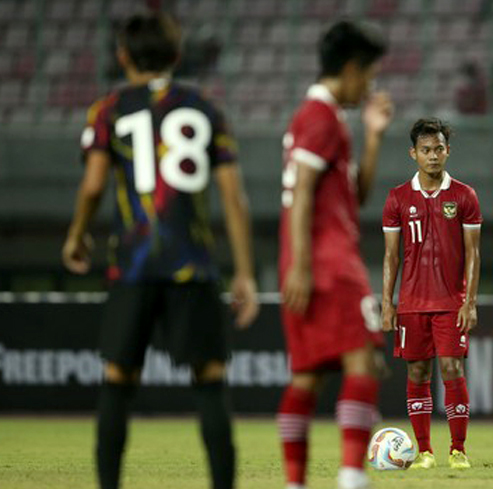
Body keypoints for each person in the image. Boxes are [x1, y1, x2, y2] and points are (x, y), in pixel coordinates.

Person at [61, 13, 259, 489]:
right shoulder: (206, 108)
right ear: (176, 56)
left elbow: (92, 187)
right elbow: (234, 197)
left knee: (117, 378)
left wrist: (76, 235)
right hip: (192, 265)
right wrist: (245, 273)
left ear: (122, 56)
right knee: (210, 378)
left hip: (132, 265)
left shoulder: (108, 109)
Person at [276, 21, 394, 489]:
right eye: (368, 76)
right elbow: (302, 192)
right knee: (362, 360)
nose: (369, 87)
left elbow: (353, 195)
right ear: (349, 69)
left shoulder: (322, 119)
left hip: (312, 259)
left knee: (307, 376)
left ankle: (296, 481)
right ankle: (351, 476)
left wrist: (374, 136)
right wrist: (303, 266)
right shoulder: (320, 117)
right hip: (328, 262)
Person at [381, 118, 483, 470]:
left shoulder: (464, 196)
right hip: (411, 303)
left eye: (439, 149)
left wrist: (469, 302)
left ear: (447, 151)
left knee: (453, 368)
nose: (433, 156)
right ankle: (424, 451)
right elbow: (391, 256)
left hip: (450, 302)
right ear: (414, 154)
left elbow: (473, 254)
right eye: (426, 150)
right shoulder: (397, 198)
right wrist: (386, 303)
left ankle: (458, 449)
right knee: (418, 374)